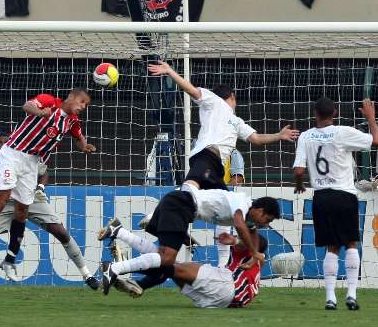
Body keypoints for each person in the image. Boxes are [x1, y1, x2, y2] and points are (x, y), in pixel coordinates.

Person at [0, 89, 96, 279]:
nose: (83, 107)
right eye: (82, 101)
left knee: (22, 210)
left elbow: (78, 137)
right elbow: (27, 106)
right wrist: (41, 112)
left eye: (86, 105)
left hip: (32, 163)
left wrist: (84, 146)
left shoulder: (72, 122)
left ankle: (10, 260)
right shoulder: (50, 101)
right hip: (13, 153)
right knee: (2, 197)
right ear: (71, 97)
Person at [0, 133, 99, 291]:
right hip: (5, 204)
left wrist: (40, 188)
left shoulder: (24, 157)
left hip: (31, 199)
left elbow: (43, 173)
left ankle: (87, 275)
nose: (3, 145)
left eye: (6, 142)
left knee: (61, 232)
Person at [148, 60, 299, 193]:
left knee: (224, 204)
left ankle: (183, 202)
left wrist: (279, 135)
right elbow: (192, 91)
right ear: (232, 97)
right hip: (207, 154)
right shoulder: (215, 101)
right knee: (190, 188)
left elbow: (256, 138)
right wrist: (170, 71)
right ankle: (172, 203)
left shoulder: (237, 121)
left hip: (216, 167)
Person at [99, 187, 281, 296]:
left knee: (163, 258)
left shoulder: (249, 217)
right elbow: (240, 225)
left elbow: (252, 234)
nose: (266, 224)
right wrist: (255, 253)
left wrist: (255, 255)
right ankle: (115, 268)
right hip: (181, 205)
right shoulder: (242, 202)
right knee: (167, 259)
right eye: (268, 220)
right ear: (260, 210)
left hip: (178, 204)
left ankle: (119, 232)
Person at [293, 97, 378, 311]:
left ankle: (330, 298)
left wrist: (300, 185)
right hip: (344, 195)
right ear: (335, 113)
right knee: (351, 243)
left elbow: (298, 170)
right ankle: (351, 294)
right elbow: (377, 140)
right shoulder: (343, 132)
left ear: (315, 114)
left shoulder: (305, 136)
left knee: (331, 246)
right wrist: (371, 118)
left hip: (322, 197)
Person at [103, 225, 268, 308]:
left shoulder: (252, 253)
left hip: (227, 287)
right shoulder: (252, 259)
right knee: (169, 268)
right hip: (218, 303)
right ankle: (138, 283)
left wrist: (235, 240)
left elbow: (254, 251)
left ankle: (121, 264)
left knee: (168, 263)